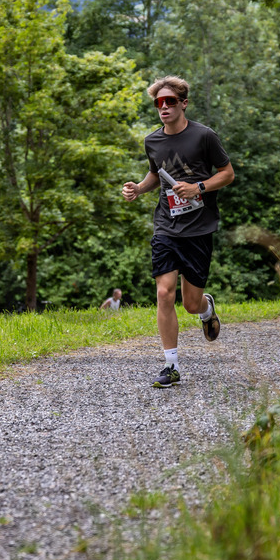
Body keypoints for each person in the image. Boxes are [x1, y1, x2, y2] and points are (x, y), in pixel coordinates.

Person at [122, 75, 235, 389]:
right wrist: (139, 188)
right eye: (159, 102)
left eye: (170, 101)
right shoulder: (152, 141)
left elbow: (227, 174)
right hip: (166, 226)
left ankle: (206, 309)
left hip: (198, 227)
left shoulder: (204, 136)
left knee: (190, 304)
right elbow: (156, 173)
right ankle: (171, 366)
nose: (164, 107)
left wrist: (199, 187)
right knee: (163, 293)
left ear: (183, 103)